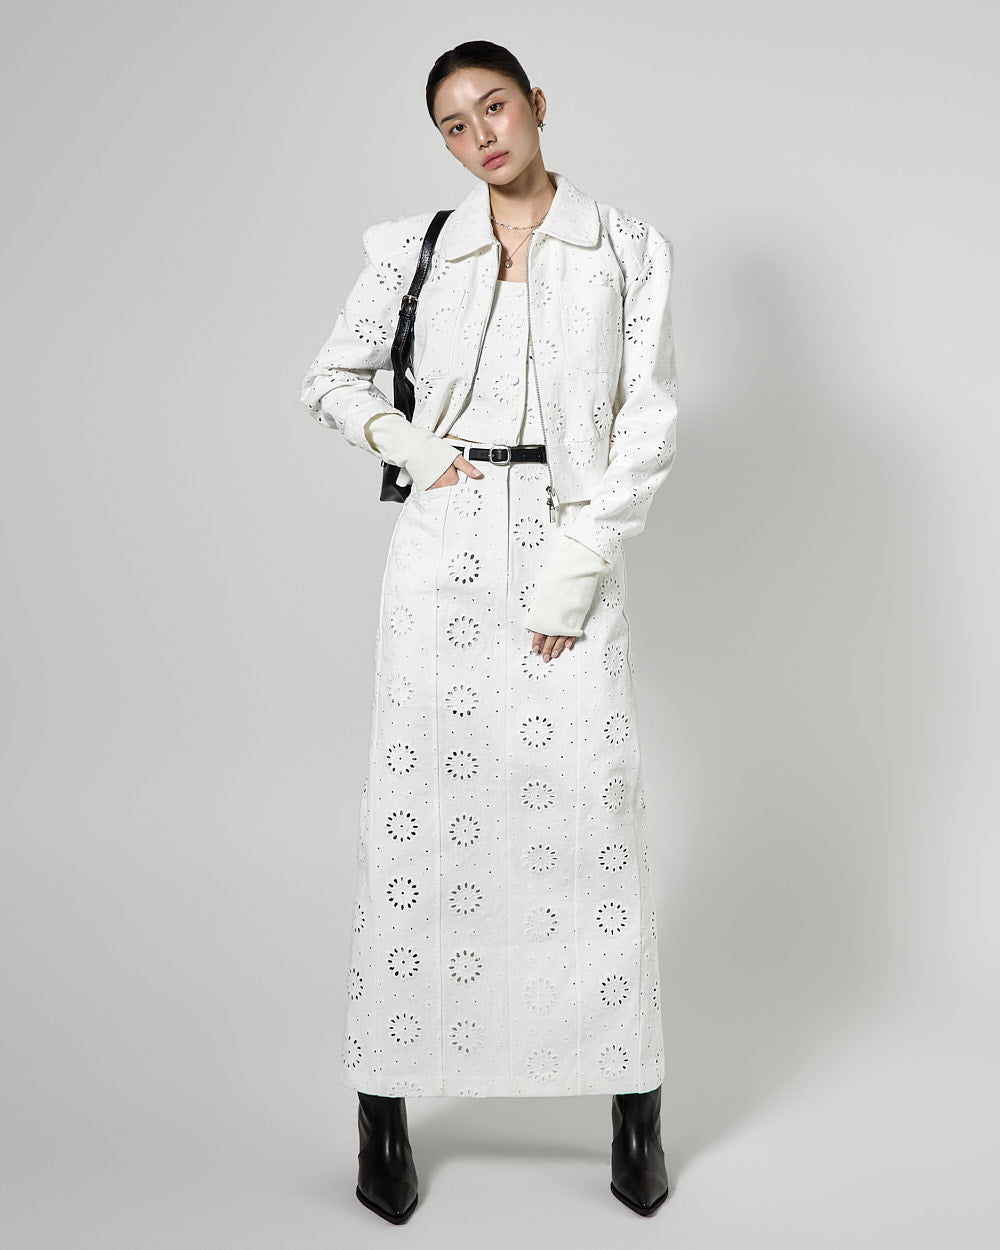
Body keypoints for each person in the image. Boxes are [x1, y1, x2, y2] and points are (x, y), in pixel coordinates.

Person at [299, 39, 678, 1223]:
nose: (481, 138)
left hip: (569, 537)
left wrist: (577, 565)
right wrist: (413, 448)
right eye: (455, 126)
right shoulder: (413, 248)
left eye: (494, 108)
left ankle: (633, 1107)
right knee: (415, 828)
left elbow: (647, 418)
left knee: (592, 823)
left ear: (536, 104)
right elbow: (331, 378)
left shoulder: (625, 249)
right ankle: (381, 1110)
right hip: (441, 552)